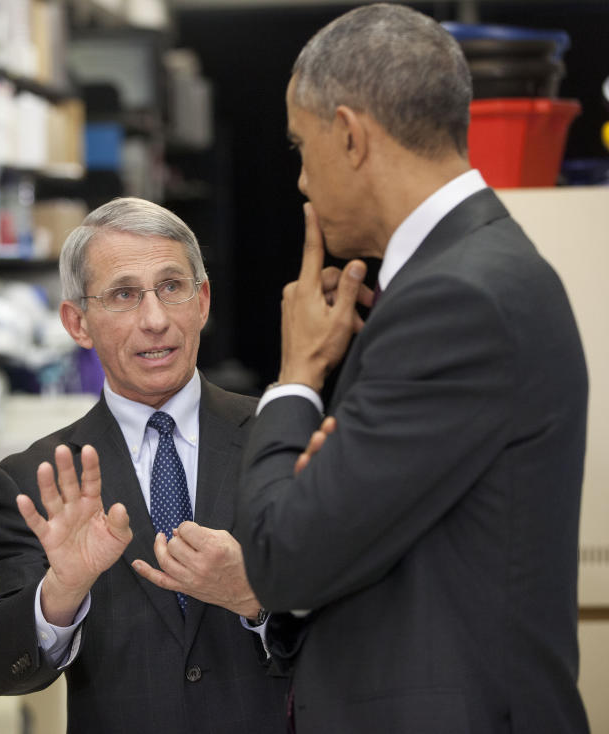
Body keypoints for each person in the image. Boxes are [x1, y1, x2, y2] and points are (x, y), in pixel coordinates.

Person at [233, 4, 590, 733]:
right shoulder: (466, 273)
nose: (300, 180)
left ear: (351, 135)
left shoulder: (454, 299)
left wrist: (298, 376)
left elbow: (282, 556)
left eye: (302, 147)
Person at [0, 197, 290, 732]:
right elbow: (1, 669)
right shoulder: (41, 477)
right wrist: (63, 590)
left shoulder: (282, 438)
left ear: (203, 301)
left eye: (171, 287)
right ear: (78, 322)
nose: (156, 320)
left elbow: (360, 626)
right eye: (124, 294)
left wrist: (255, 596)